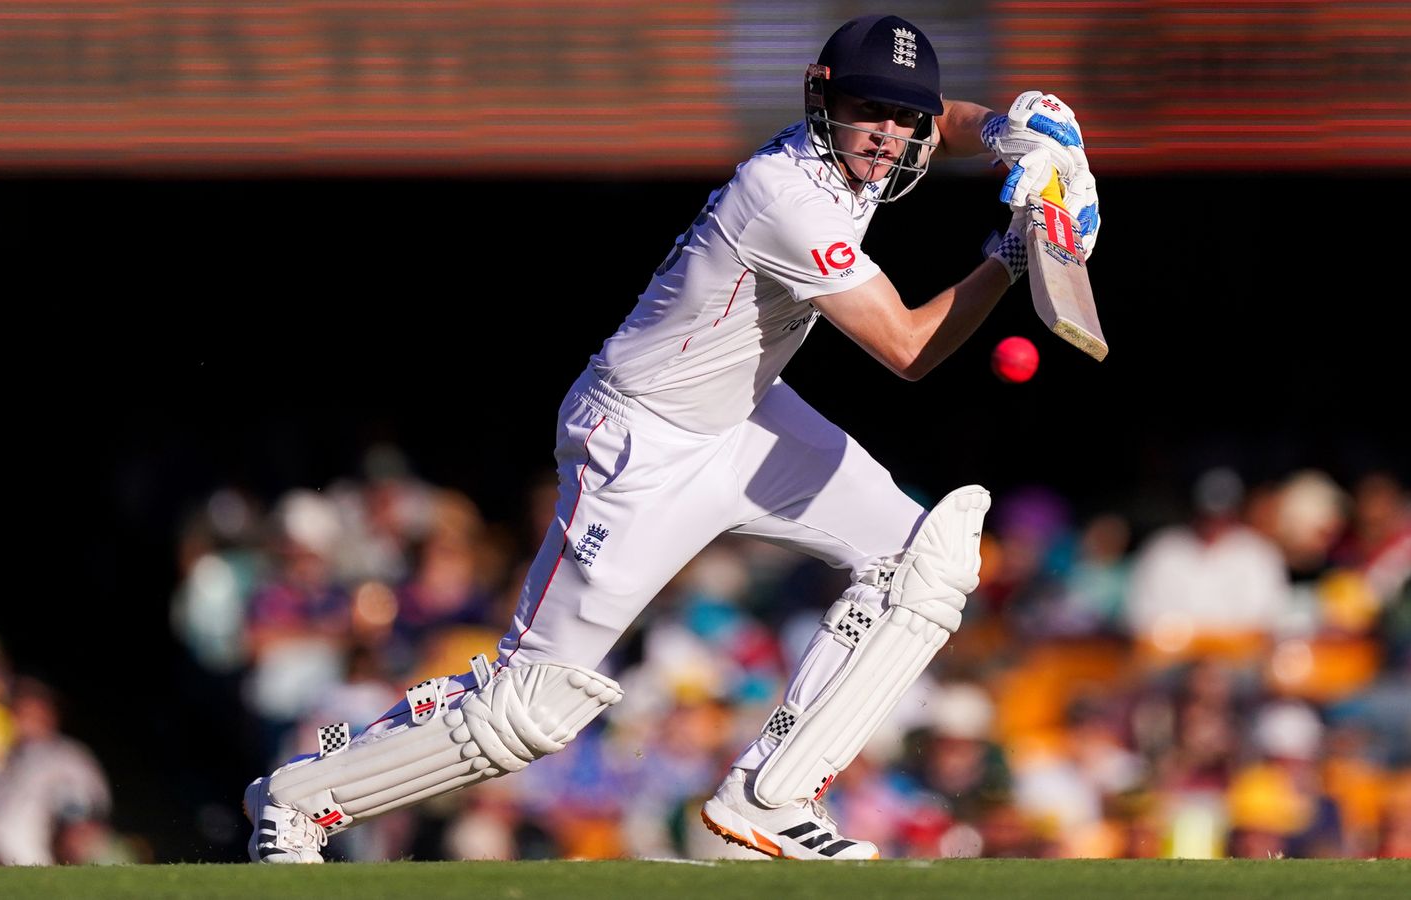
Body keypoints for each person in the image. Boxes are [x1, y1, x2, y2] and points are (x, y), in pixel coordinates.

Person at [244, 13, 1100, 863]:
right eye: (871, 109)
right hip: (638, 441)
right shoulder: (785, 194)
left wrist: (1010, 132)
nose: (888, 137)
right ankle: (298, 800)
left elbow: (939, 118)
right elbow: (908, 350)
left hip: (746, 415)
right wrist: (1013, 253)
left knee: (927, 562)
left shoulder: (869, 145)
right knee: (532, 707)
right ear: (821, 95)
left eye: (902, 117)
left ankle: (771, 794)